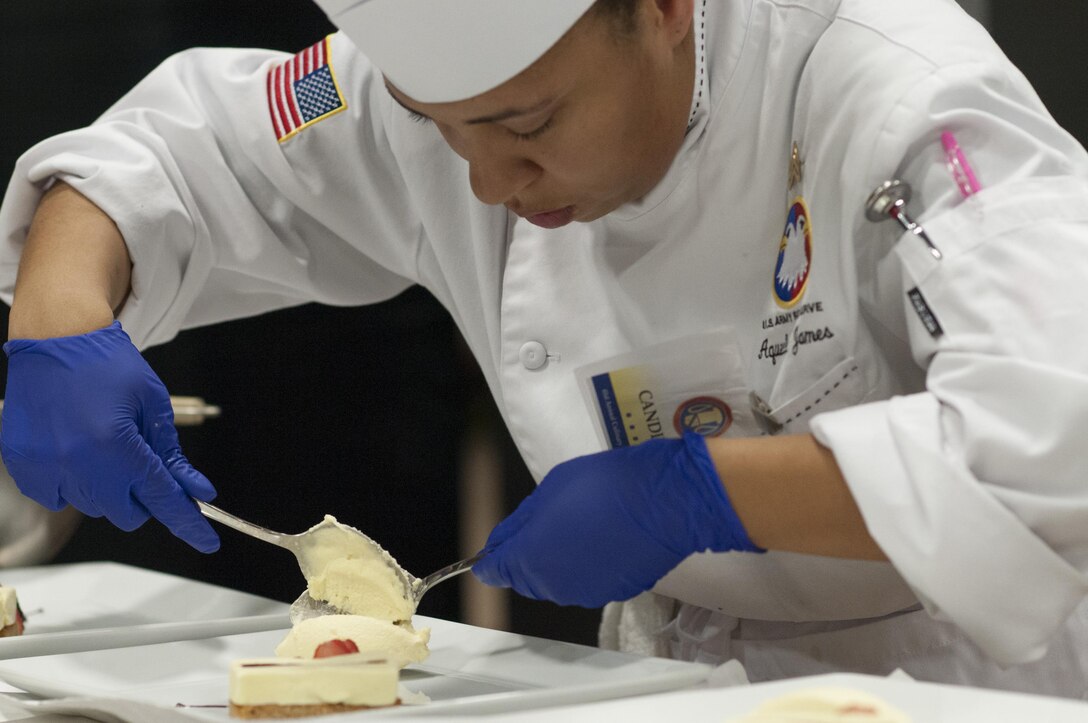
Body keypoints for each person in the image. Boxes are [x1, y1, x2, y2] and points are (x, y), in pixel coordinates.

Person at [2, 0, 1088, 697]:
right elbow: (186, 155)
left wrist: (697, 493)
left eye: (526, 129)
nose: (484, 184)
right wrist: (59, 321)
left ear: (663, 9)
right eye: (441, 133)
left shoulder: (902, 89)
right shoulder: (413, 83)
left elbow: (1048, 437)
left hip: (961, 681)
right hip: (660, 681)